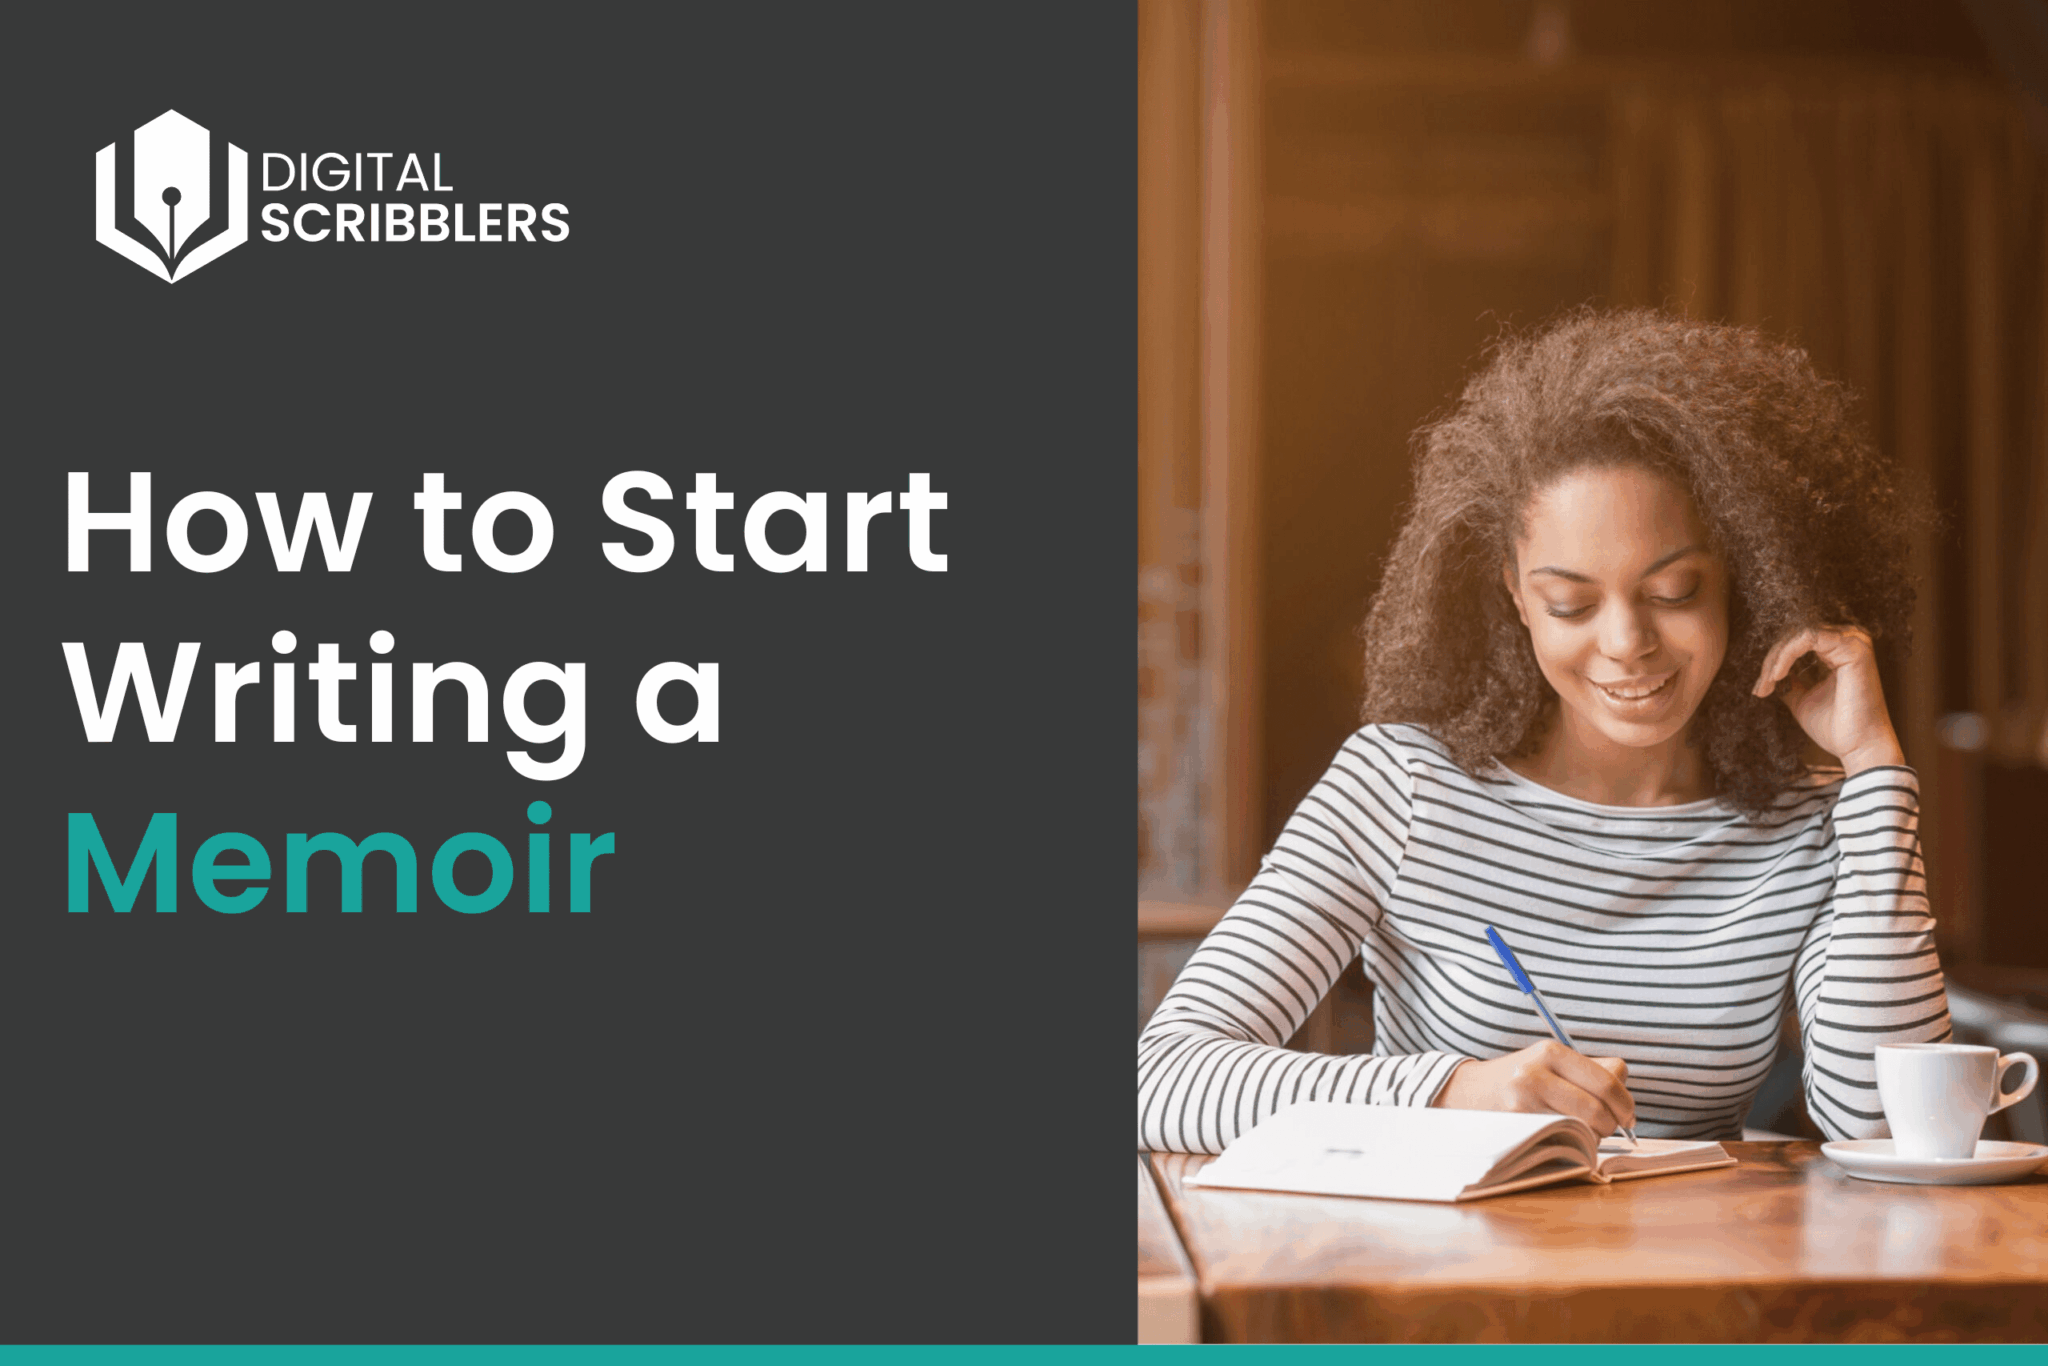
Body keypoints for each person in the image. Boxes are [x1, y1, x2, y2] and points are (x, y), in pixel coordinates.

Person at [1137, 309, 1949, 1154]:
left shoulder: (1811, 826)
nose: (1626, 641)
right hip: (1443, 1240)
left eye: (1673, 591)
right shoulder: (1403, 787)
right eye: (1570, 603)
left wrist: (1873, 770)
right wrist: (1452, 1092)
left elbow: (1889, 1127)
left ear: (1745, 575)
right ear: (1517, 597)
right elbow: (1159, 1080)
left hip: (1696, 1242)